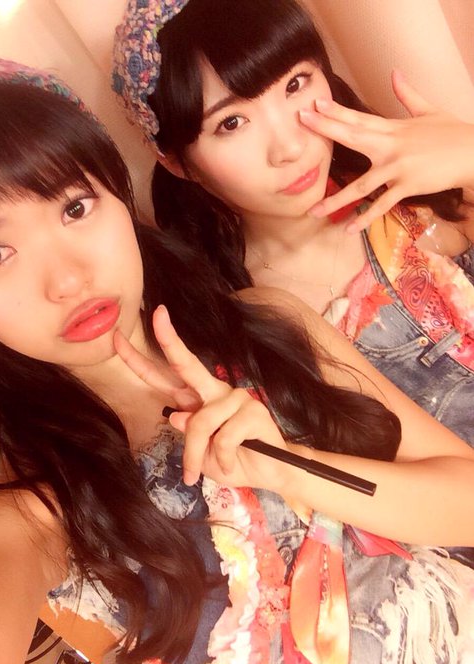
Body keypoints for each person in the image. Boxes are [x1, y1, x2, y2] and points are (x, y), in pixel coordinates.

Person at [0, 57, 474, 664]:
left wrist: (289, 468)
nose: (68, 279)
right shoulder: (37, 510)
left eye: (75, 208)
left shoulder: (265, 324)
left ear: (119, 198)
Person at [112, 0, 474, 449]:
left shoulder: (418, 198)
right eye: (231, 122)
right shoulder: (239, 330)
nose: (289, 147)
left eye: (295, 84)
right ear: (178, 163)